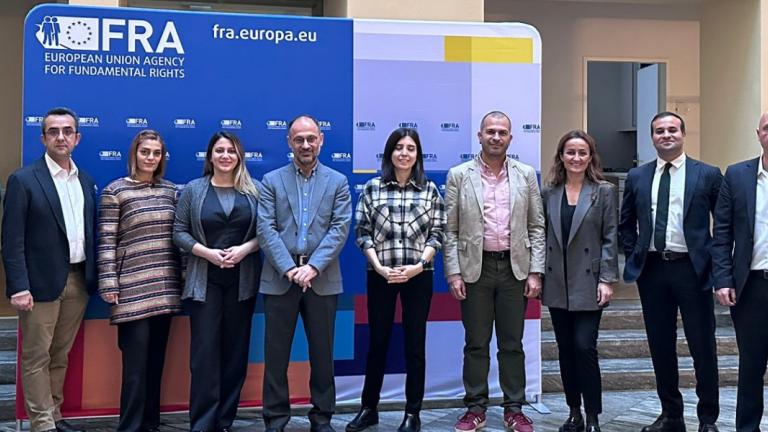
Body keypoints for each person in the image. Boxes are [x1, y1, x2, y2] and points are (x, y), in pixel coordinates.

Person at [618, 111, 721, 432]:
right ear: (652, 137)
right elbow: (625, 224)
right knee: (661, 345)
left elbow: (724, 224)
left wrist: (717, 265)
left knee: (702, 346)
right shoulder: (637, 176)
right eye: (659, 131)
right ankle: (671, 416)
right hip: (653, 271)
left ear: (683, 134)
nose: (666, 135)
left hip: (693, 270)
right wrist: (635, 254)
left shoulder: (707, 174)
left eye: (672, 130)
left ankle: (707, 419)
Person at [443, 111, 545, 432]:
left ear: (510, 138)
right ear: (480, 136)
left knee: (512, 343)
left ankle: (514, 409)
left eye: (502, 132)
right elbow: (450, 230)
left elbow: (536, 225)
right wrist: (453, 273)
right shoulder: (459, 175)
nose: (496, 137)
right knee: (476, 343)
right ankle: (475, 408)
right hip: (476, 269)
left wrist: (535, 271)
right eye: (491, 131)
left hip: (515, 269)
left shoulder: (525, 174)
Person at [2, 107, 96, 432]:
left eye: (67, 131)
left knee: (60, 354)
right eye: (53, 131)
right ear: (43, 138)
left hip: (78, 281)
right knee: (36, 356)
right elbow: (11, 240)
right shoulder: (23, 180)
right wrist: (18, 286)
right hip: (39, 284)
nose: (61, 137)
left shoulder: (85, 181)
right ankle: (42, 424)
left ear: (77, 138)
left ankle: (54, 414)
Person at [345, 128, 446, 432]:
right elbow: (362, 232)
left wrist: (419, 265)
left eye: (410, 148)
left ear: (418, 154)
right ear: (390, 153)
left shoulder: (429, 190)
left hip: (419, 276)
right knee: (378, 342)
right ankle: (369, 408)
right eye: (399, 147)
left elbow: (438, 233)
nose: (404, 153)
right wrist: (378, 266)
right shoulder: (372, 188)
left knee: (415, 345)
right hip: (381, 275)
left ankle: (413, 413)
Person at [258, 115, 352, 432]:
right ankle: (275, 419)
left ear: (321, 140)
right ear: (289, 142)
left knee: (323, 355)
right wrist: (289, 268)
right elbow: (266, 229)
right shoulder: (271, 181)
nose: (306, 145)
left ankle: (322, 418)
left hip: (321, 278)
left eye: (311, 138)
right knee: (276, 356)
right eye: (299, 139)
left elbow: (339, 229)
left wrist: (312, 267)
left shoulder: (338, 182)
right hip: (280, 278)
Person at [173, 131, 262, 432]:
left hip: (242, 281)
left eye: (231, 151)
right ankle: (202, 423)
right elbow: (179, 232)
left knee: (235, 354)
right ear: (210, 156)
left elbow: (267, 232)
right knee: (204, 355)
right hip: (204, 280)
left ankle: (224, 421)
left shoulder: (255, 191)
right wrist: (207, 253)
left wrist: (245, 249)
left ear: (239, 157)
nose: (225, 156)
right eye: (220, 150)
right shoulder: (194, 189)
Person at [97, 130, 181, 432]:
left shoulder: (171, 191)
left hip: (165, 289)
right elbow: (107, 240)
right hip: (130, 291)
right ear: (134, 153)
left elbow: (180, 239)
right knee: (135, 370)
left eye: (156, 153)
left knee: (156, 365)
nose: (150, 158)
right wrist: (108, 282)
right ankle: (130, 427)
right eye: (145, 151)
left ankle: (150, 425)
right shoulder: (115, 191)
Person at [541, 130, 617, 432]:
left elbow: (610, 237)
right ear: (561, 156)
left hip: (590, 282)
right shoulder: (549, 192)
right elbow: (541, 235)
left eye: (582, 152)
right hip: (557, 281)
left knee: (585, 347)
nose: (576, 158)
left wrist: (607, 279)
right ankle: (574, 413)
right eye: (570, 152)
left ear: (590, 157)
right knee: (565, 350)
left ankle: (593, 416)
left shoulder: (604, 191)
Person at [711, 111, 768, 432]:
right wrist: (722, 279)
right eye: (767, 128)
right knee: (751, 365)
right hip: (752, 287)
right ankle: (747, 428)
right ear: (758, 134)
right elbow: (722, 233)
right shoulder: (737, 175)